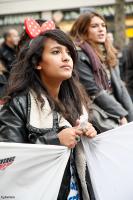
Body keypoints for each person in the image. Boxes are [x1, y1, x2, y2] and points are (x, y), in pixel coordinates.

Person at [0, 19, 97, 200]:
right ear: (37, 62)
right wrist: (55, 141)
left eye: (68, 52)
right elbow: (8, 162)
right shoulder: (17, 105)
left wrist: (89, 132)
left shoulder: (76, 100)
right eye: (55, 52)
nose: (66, 57)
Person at [70, 11, 133, 132]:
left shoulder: (108, 52)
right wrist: (121, 114)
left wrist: (129, 114)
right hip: (100, 115)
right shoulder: (79, 54)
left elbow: (119, 86)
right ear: (83, 30)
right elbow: (94, 91)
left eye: (103, 25)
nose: (101, 29)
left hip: (116, 109)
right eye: (94, 26)